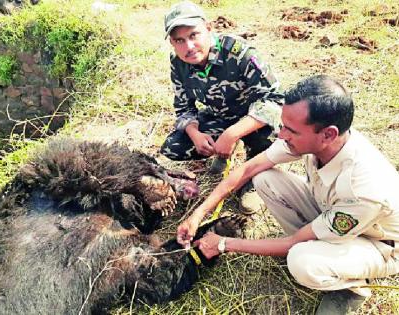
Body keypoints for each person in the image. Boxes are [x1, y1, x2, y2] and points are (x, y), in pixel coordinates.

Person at [177, 75, 399, 314]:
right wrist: (198, 214)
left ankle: (350, 288)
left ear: (328, 135)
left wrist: (223, 244)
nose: (281, 135)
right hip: (330, 212)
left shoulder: (363, 188)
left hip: (379, 244)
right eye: (283, 125)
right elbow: (249, 168)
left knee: (301, 260)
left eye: (290, 130)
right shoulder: (315, 137)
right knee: (264, 179)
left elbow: (294, 243)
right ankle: (320, 246)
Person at [160, 1, 283, 211]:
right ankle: (224, 152)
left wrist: (232, 134)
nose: (188, 47)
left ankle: (253, 178)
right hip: (220, 116)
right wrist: (195, 134)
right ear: (172, 43)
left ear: (208, 29)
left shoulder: (239, 53)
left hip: (254, 120)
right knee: (174, 147)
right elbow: (183, 108)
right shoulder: (178, 63)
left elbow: (275, 100)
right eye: (179, 40)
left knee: (270, 140)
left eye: (193, 35)